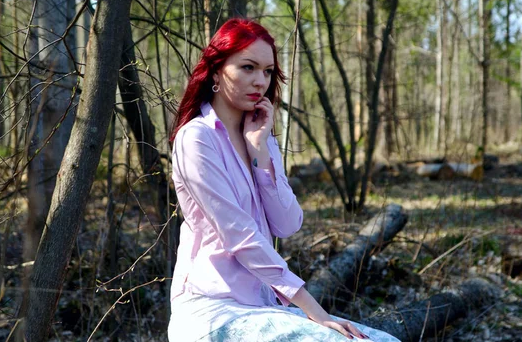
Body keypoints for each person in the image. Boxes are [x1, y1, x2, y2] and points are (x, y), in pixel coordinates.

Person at [168, 19, 399, 342]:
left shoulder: (261, 136)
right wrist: (314, 310)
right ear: (217, 70)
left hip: (262, 308)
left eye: (267, 71)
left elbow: (288, 223)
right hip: (211, 310)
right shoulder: (196, 139)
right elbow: (240, 236)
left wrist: (259, 151)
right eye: (248, 67)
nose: (259, 81)